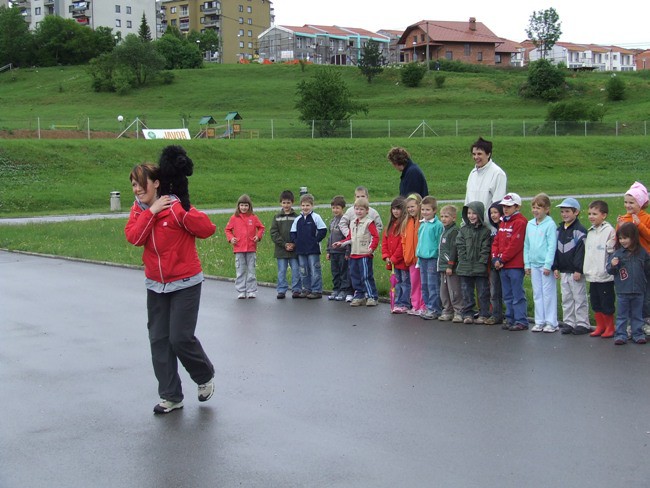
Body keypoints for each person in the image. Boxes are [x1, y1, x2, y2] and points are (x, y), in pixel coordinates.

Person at [125, 162, 216, 415]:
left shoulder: (175, 208)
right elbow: (134, 237)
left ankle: (204, 375)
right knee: (159, 340)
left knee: (179, 338)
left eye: (140, 183)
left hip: (185, 282)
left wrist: (183, 209)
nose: (136, 189)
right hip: (156, 285)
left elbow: (208, 229)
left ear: (156, 183)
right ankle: (171, 396)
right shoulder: (139, 210)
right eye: (133, 184)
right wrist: (151, 211)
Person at [607, 223, 650, 345]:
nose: (622, 241)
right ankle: (621, 334)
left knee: (637, 314)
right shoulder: (618, 254)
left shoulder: (642, 252)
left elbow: (647, 268)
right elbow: (610, 270)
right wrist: (613, 265)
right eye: (620, 238)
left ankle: (637, 333)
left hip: (639, 289)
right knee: (622, 315)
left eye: (625, 238)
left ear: (634, 238)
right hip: (623, 290)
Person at [333, 197, 380, 307]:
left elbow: (375, 236)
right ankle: (359, 295)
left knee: (366, 276)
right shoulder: (353, 223)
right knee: (355, 276)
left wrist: (371, 248)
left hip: (364, 254)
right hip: (354, 254)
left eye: (361, 209)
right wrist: (341, 243)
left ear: (367, 211)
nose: (359, 212)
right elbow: (350, 237)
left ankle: (371, 296)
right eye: (357, 209)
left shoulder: (369, 223)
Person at [491, 192, 528, 331]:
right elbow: (496, 241)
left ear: (517, 206)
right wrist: (495, 257)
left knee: (517, 294)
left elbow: (515, 244)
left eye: (509, 206)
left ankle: (521, 320)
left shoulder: (520, 222)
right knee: (507, 294)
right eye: (504, 206)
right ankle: (510, 318)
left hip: (514, 265)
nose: (505, 209)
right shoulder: (503, 222)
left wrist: (502, 258)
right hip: (502, 265)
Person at [552, 197, 590, 335]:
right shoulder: (558, 230)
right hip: (563, 270)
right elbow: (554, 250)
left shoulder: (580, 231)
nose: (564, 214)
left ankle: (582, 323)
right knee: (566, 298)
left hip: (575, 271)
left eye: (567, 211)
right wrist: (555, 267)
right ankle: (569, 322)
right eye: (562, 211)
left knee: (579, 297)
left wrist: (578, 269)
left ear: (576, 212)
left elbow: (581, 252)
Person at [617, 181, 650, 334]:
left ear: (641, 202)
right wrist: (619, 226)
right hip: (628, 261)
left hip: (644, 261)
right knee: (629, 292)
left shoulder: (646, 218)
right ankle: (631, 325)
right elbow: (620, 240)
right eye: (626, 202)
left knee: (645, 292)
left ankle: (645, 321)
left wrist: (640, 226)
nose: (628, 206)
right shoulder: (624, 218)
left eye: (632, 202)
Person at [524, 193, 558, 333]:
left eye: (539, 207)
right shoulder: (530, 224)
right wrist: (527, 264)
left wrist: (548, 265)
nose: (536, 210)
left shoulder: (550, 224)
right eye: (534, 207)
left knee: (548, 293)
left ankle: (551, 322)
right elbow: (526, 245)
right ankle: (539, 321)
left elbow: (552, 246)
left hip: (545, 265)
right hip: (533, 264)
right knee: (537, 293)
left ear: (547, 209)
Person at [584, 200, 616, 338]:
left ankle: (610, 327)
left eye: (595, 214)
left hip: (604, 274)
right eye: (590, 214)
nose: (591, 216)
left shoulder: (609, 230)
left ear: (603, 215)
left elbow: (611, 249)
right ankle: (600, 325)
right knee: (595, 301)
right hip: (592, 273)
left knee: (606, 302)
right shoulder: (590, 232)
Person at [456, 201, 491, 324]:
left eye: (474, 213)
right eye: (469, 213)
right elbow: (460, 246)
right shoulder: (463, 230)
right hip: (465, 266)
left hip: (479, 266)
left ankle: (484, 313)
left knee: (482, 292)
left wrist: (481, 262)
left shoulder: (485, 231)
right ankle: (468, 313)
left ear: (480, 214)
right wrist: (463, 259)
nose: (471, 216)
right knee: (466, 292)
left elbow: (485, 248)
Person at [225, 194, 265, 299]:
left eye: (246, 205)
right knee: (240, 270)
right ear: (238, 206)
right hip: (239, 248)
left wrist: (258, 236)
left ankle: (251, 290)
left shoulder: (253, 217)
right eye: (242, 205)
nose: (244, 208)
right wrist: (231, 238)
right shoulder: (234, 218)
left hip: (251, 248)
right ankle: (241, 291)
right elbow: (227, 229)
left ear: (249, 206)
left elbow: (261, 227)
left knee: (251, 270)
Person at [290, 193, 327, 299]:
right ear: (300, 206)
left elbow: (323, 230)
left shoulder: (316, 217)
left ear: (312, 206)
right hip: (301, 250)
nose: (305, 208)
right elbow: (293, 232)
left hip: (313, 249)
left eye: (307, 205)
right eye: (303, 205)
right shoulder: (298, 219)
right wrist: (296, 242)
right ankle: (306, 289)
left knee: (315, 270)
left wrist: (315, 240)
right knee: (303, 270)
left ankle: (316, 290)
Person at [465, 137, 507, 229]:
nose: (476, 157)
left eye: (479, 154)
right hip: (472, 226)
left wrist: (489, 223)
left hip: (488, 227)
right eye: (474, 154)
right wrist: (465, 221)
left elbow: (497, 203)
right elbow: (467, 200)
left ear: (488, 154)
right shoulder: (472, 173)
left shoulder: (498, 173)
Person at [270, 190, 302, 299]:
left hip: (294, 249)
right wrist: (284, 244)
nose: (286, 205)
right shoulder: (277, 217)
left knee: (296, 270)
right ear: (280, 203)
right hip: (281, 250)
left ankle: (296, 289)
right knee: (282, 271)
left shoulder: (297, 217)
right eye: (284, 203)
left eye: (288, 203)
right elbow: (274, 233)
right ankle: (281, 290)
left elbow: (300, 232)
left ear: (292, 203)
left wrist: (294, 244)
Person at [416, 196, 444, 320]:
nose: (425, 212)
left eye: (428, 210)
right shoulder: (422, 224)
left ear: (434, 211)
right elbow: (420, 243)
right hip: (422, 258)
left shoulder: (437, 225)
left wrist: (440, 259)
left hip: (433, 259)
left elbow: (440, 243)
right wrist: (418, 258)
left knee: (433, 285)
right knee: (425, 284)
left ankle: (435, 308)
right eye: (423, 210)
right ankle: (428, 307)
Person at [382, 196, 410, 313]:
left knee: (405, 283)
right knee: (396, 283)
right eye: (393, 209)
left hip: (401, 261)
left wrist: (394, 258)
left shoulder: (404, 224)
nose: (395, 211)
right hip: (393, 262)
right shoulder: (390, 226)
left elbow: (402, 245)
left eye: (398, 209)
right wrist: (386, 255)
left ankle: (405, 303)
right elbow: (385, 242)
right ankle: (397, 302)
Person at [402, 193, 427, 316]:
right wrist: (406, 254)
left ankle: (423, 305)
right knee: (414, 282)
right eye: (408, 207)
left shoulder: (422, 222)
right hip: (411, 259)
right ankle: (415, 304)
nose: (411, 209)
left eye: (413, 206)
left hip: (421, 258)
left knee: (424, 283)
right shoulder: (407, 222)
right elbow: (404, 240)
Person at [437, 205, 463, 322]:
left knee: (454, 290)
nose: (443, 219)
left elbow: (454, 250)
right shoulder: (444, 231)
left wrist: (450, 265)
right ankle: (447, 310)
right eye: (441, 216)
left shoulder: (454, 231)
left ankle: (458, 311)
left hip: (450, 267)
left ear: (453, 218)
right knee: (444, 290)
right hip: (442, 266)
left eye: (446, 216)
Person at [326, 195, 352, 301]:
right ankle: (336, 289)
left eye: (337, 208)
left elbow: (348, 238)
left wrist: (347, 252)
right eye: (333, 208)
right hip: (333, 252)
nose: (335, 210)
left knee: (343, 272)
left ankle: (344, 290)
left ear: (342, 209)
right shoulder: (332, 221)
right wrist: (328, 251)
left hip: (342, 252)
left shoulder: (345, 222)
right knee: (335, 272)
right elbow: (330, 237)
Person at [485, 202, 505, 325]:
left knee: (506, 291)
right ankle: (496, 314)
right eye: (491, 213)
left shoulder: (505, 227)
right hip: (494, 264)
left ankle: (508, 314)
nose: (493, 215)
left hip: (504, 263)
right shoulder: (492, 230)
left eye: (496, 212)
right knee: (494, 291)